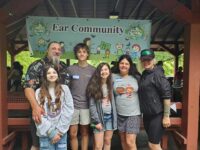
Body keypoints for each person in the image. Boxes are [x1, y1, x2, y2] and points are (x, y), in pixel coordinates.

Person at [24, 41, 70, 150]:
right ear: (47, 51)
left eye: (59, 49)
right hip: (41, 113)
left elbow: (67, 91)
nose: (57, 51)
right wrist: (35, 107)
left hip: (60, 115)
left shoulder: (63, 66)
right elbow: (28, 87)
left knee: (60, 144)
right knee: (37, 144)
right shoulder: (37, 65)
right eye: (53, 48)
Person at [35, 65, 74, 149]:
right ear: (44, 76)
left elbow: (69, 110)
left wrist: (59, 132)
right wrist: (52, 133)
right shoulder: (38, 92)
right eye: (48, 73)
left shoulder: (65, 89)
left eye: (54, 72)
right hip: (45, 133)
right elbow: (38, 115)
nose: (52, 75)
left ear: (58, 74)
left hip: (61, 133)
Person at [139, 49, 171, 150]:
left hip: (157, 115)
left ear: (154, 60)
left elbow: (166, 96)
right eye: (144, 60)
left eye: (149, 59)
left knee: (153, 144)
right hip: (147, 115)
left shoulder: (158, 74)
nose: (146, 62)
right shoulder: (145, 73)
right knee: (152, 143)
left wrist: (166, 116)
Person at [67, 43, 95, 150]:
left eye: (84, 51)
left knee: (85, 133)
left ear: (87, 54)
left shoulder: (93, 70)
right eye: (79, 52)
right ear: (76, 54)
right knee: (73, 134)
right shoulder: (70, 69)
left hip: (87, 106)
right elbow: (65, 88)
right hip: (72, 106)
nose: (81, 54)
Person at [113, 54, 141, 150]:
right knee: (123, 140)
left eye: (126, 63)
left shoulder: (136, 77)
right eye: (122, 63)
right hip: (119, 114)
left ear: (130, 65)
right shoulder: (113, 76)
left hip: (133, 114)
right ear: (118, 64)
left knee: (130, 141)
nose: (124, 65)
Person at [86, 62, 117, 150]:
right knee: (98, 146)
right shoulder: (94, 85)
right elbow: (92, 106)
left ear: (109, 71)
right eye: (101, 70)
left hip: (110, 117)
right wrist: (96, 121)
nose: (104, 72)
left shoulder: (111, 83)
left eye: (106, 69)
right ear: (98, 72)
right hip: (99, 118)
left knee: (107, 142)